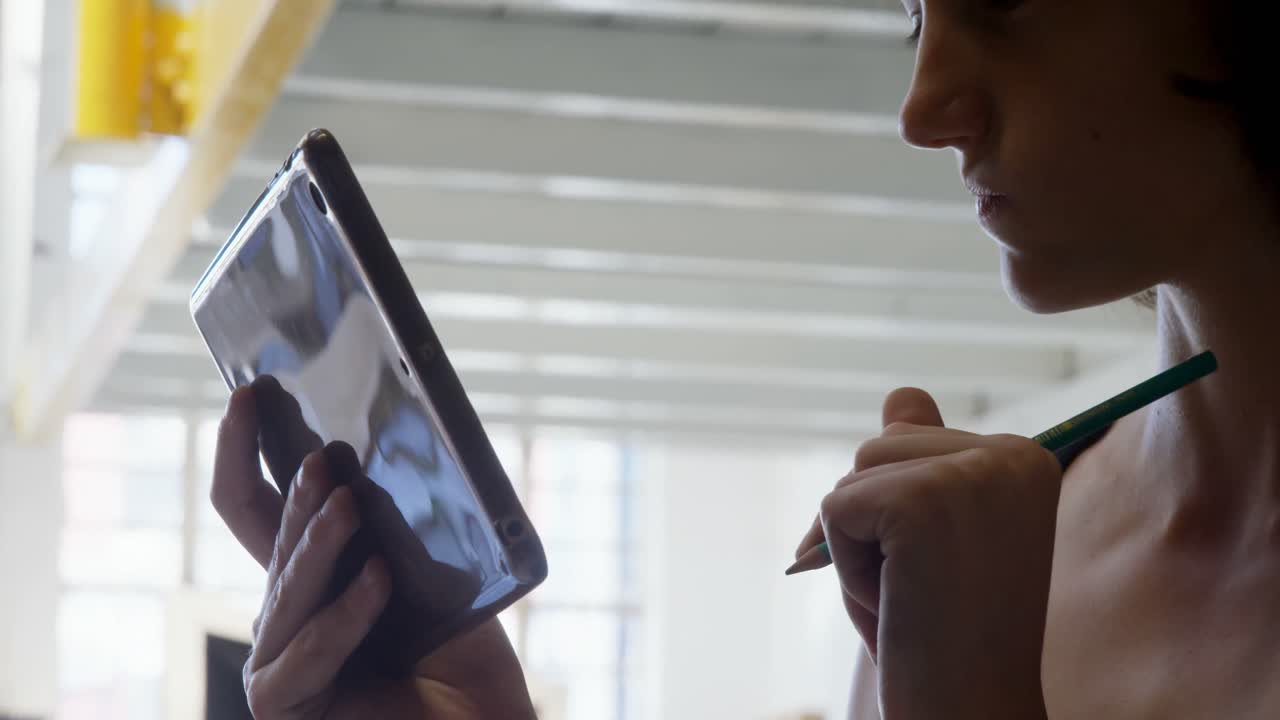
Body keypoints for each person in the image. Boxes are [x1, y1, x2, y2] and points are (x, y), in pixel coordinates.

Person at [210, 0, 1280, 717]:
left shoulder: (972, 576)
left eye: (1000, 6)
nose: (921, 106)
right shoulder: (969, 558)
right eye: (916, 12)